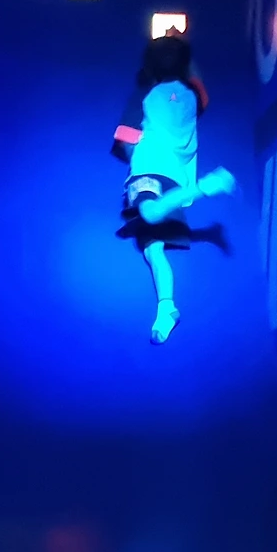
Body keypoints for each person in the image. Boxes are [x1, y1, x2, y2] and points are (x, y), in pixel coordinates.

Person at [113, 32, 235, 343]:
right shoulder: (193, 98)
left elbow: (124, 139)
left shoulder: (145, 93)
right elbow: (199, 85)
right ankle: (166, 308)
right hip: (176, 178)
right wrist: (183, 50)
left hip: (148, 169)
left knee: (150, 214)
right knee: (153, 249)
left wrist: (133, 157)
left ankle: (209, 185)